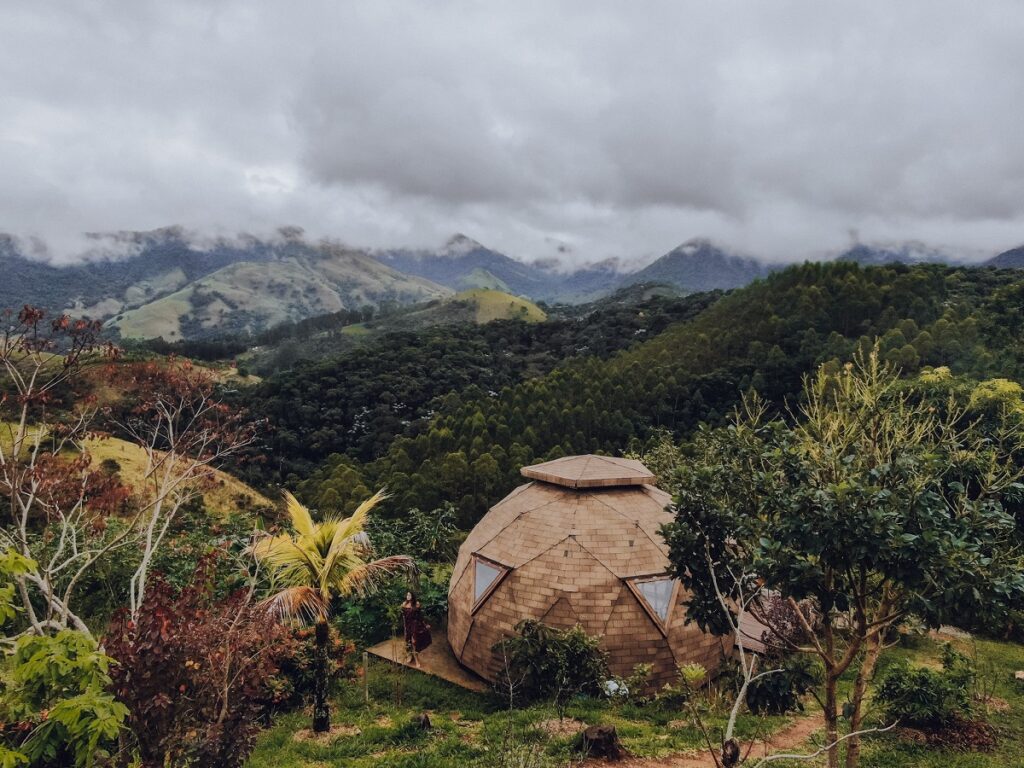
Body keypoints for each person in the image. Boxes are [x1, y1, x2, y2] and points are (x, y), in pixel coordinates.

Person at [402, 591, 432, 668]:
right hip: (407, 625)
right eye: (407, 594)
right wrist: (404, 627)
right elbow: (403, 617)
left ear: (413, 596)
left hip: (415, 625)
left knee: (414, 642)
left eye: (409, 595)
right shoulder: (404, 604)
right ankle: (410, 656)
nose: (408, 596)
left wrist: (425, 624)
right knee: (407, 642)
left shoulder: (417, 604)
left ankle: (417, 660)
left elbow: (420, 616)